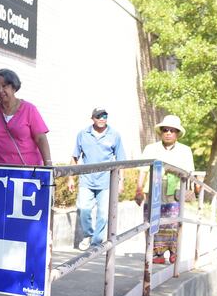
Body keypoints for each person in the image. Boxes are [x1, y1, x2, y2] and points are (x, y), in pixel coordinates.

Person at [136, 114, 195, 264]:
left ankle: (174, 252)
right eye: (165, 129)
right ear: (161, 132)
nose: (168, 133)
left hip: (174, 190)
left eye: (172, 130)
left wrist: (172, 169)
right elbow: (143, 170)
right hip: (154, 188)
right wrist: (138, 189)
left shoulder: (185, 150)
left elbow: (189, 173)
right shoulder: (151, 148)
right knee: (153, 219)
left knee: (173, 221)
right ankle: (156, 254)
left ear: (177, 133)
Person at [68, 107, 127, 250]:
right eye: (98, 116)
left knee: (103, 214)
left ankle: (96, 242)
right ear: (92, 118)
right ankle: (88, 235)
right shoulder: (83, 134)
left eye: (105, 116)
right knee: (84, 209)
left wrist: (121, 182)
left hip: (106, 181)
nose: (102, 119)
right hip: (86, 180)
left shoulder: (114, 135)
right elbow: (75, 157)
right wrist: (70, 178)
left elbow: (121, 161)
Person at [0, 68, 52, 166]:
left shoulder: (29, 109)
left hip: (28, 172)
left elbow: (41, 139)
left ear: (14, 87)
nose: (0, 90)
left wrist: (48, 164)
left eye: (4, 86)